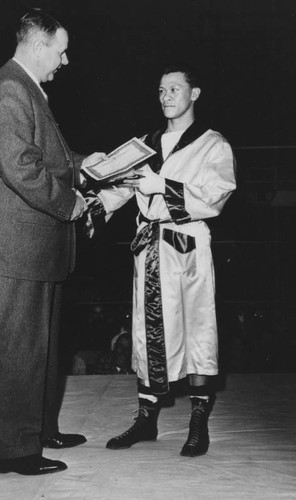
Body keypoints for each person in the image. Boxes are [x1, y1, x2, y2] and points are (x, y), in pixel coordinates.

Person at [0, 9, 105, 476]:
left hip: (34, 246)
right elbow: (22, 167)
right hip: (16, 246)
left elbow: (49, 155)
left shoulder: (26, 88)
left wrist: (90, 163)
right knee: (15, 347)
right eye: (61, 50)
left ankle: (39, 430)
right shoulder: (11, 89)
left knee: (40, 346)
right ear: (37, 45)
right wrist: (69, 202)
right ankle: (14, 453)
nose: (65, 60)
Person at [91, 64, 236, 457]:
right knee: (146, 329)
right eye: (161, 89)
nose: (166, 95)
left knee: (196, 328)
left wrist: (165, 186)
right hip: (150, 247)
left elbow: (217, 194)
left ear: (195, 94)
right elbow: (117, 188)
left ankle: (198, 422)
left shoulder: (213, 144)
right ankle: (146, 419)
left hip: (187, 246)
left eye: (175, 88)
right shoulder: (143, 144)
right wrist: (93, 198)